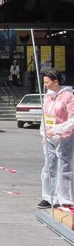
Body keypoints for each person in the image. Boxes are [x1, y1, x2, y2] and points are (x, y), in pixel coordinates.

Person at [37, 69, 74, 209]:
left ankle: (65, 199)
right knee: (49, 167)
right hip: (50, 138)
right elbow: (45, 118)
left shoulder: (68, 96)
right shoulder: (48, 97)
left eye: (47, 82)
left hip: (65, 138)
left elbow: (72, 120)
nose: (44, 85)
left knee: (64, 167)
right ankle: (48, 197)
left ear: (56, 82)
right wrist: (44, 134)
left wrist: (58, 130)